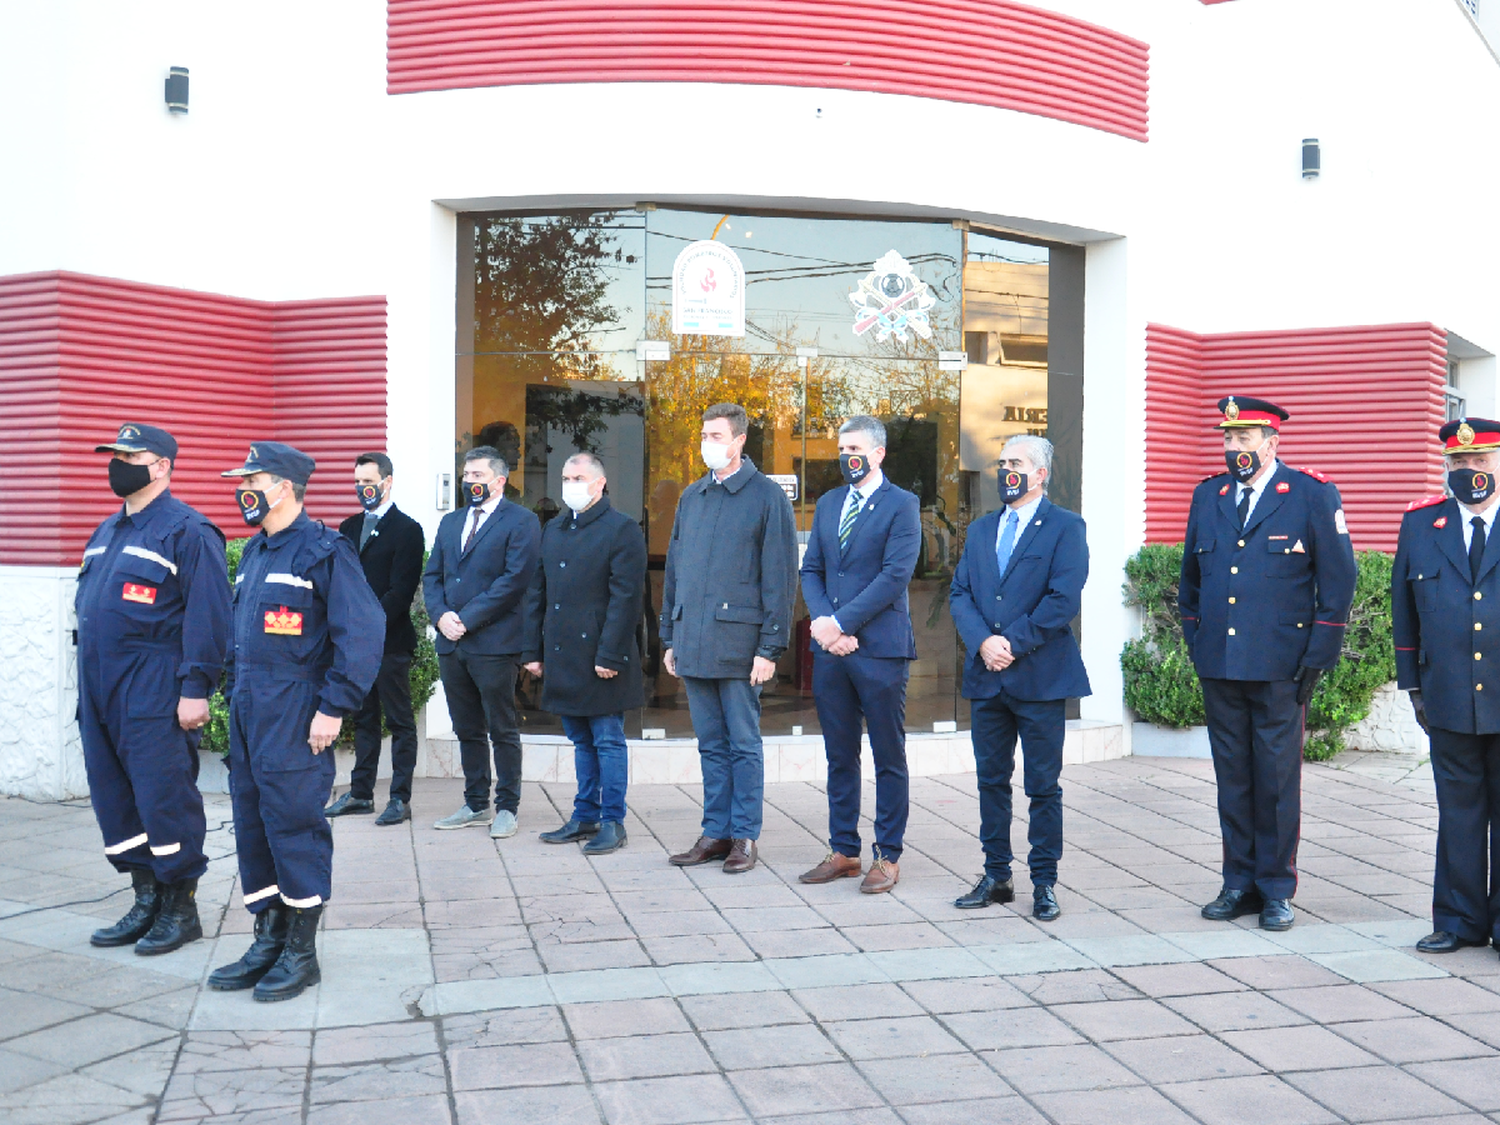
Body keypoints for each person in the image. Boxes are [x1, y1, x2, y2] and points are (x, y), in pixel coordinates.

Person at [208, 442, 384, 1001]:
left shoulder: (323, 551)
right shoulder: (257, 553)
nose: (244, 488)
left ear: (284, 487)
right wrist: (233, 695)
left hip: (296, 712)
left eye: (253, 478)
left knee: (294, 825)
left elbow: (362, 632)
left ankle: (302, 951)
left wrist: (333, 706)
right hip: (250, 713)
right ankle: (269, 936)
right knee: (253, 823)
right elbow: (240, 640)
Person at [1180, 396, 1356, 932]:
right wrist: (1198, 641)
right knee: (1232, 777)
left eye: (1246, 438)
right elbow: (1191, 582)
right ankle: (1238, 882)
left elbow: (1339, 579)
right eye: (1228, 438)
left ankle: (1277, 887)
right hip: (1222, 666)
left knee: (1276, 781)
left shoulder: (1309, 494)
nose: (1235, 447)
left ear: (1272, 441)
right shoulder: (1207, 496)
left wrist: (1318, 656)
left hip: (1283, 666)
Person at [76, 423, 231, 956]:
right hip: (100, 691)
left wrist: (196, 689)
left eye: (129, 455)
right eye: (113, 455)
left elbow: (210, 619)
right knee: (115, 799)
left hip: (153, 691)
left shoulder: (188, 531)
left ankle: (180, 907)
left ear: (161, 465)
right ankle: (145, 899)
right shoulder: (106, 531)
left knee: (164, 799)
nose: (116, 464)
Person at [949, 435, 1090, 921]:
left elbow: (1063, 598)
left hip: (1040, 677)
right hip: (987, 676)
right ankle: (996, 875)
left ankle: (1044, 882)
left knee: (1043, 786)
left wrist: (1011, 642)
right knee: (992, 781)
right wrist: (982, 643)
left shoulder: (1066, 528)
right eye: (1002, 462)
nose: (1006, 470)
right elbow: (960, 593)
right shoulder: (983, 529)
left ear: (1041, 474)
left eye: (1017, 463)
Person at [661, 403, 797, 874]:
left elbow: (779, 577)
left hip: (740, 646)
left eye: (716, 435)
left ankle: (744, 836)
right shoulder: (692, 497)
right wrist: (668, 636)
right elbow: (675, 573)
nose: (707, 443)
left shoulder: (766, 497)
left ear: (739, 440)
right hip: (693, 641)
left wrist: (769, 648)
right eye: (704, 434)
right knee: (710, 745)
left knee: (743, 744)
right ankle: (714, 832)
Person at [797, 416, 921, 894]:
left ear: (878, 453)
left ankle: (887, 855)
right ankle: (844, 850)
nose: (846, 456)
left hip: (880, 650)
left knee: (888, 755)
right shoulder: (829, 503)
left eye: (855, 448)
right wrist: (827, 626)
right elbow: (812, 569)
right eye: (841, 448)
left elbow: (894, 577)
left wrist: (841, 623)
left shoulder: (903, 505)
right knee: (839, 754)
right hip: (832, 651)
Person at [1393, 417, 1500, 958]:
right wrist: (1414, 687)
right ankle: (1458, 921)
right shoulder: (1420, 527)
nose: (1469, 471)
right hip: (1449, 694)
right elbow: (1404, 615)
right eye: (1459, 463)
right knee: (1458, 812)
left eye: (1480, 461)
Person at [522, 453, 648, 855]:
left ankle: (613, 821)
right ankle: (585, 815)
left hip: (600, 656)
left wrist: (610, 655)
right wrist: (533, 651)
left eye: (578, 477)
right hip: (562, 654)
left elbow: (626, 600)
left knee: (607, 739)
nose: (570, 483)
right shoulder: (555, 528)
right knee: (580, 740)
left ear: (599, 483)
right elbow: (538, 593)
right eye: (565, 477)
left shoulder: (622, 530)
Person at [423, 446, 540, 838]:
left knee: (501, 727)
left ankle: (507, 806)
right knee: (466, 728)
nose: (469, 481)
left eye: (477, 475)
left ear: (499, 480)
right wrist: (441, 617)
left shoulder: (521, 522)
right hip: (451, 643)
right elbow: (432, 576)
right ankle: (476, 803)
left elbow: (513, 581)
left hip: (493, 642)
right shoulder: (451, 521)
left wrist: (466, 619)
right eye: (466, 475)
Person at [325, 452, 426, 826]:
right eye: (357, 482)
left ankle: (400, 798)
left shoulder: (408, 529)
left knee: (400, 722)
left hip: (390, 643)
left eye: (369, 481)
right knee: (364, 719)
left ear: (388, 481)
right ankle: (361, 793)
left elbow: (401, 591)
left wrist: (366, 624)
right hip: (354, 645)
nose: (363, 489)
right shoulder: (348, 527)